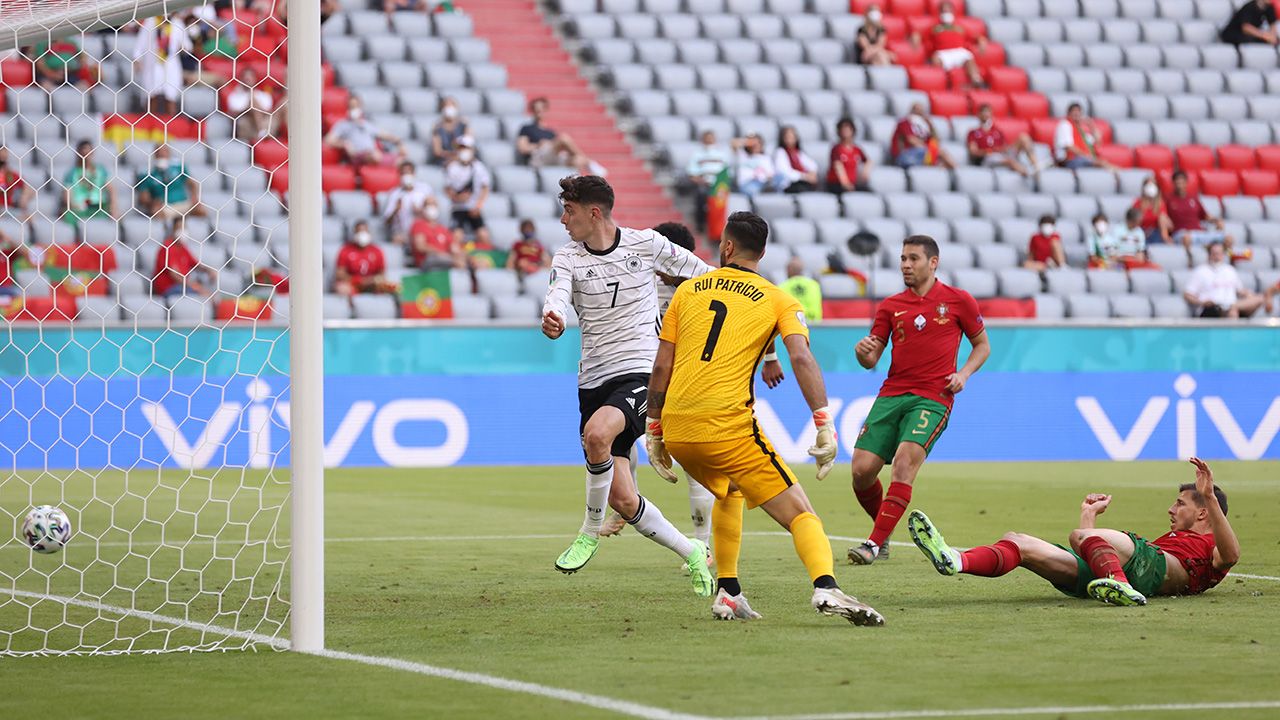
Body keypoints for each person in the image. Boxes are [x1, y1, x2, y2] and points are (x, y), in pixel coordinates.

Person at [644, 211, 883, 625]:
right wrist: (823, 421)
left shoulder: (688, 292)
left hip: (680, 427)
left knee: (731, 492)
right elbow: (802, 357)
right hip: (726, 425)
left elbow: (662, 367)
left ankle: (729, 592)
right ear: (764, 252)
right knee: (802, 512)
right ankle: (827, 587)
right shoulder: (777, 298)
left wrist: (655, 428)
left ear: (727, 246)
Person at [540, 175, 715, 592]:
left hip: (639, 370)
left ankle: (588, 530)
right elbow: (557, 293)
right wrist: (553, 316)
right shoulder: (567, 257)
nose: (564, 219)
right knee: (622, 496)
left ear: (593, 212)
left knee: (597, 434)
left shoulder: (647, 244)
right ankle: (692, 551)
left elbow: (705, 274)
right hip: (593, 379)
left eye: (570, 210)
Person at [908, 458, 1240, 607]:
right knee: (1019, 541)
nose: (1171, 509)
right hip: (1118, 577)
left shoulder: (1211, 545)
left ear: (1201, 513)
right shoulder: (1169, 540)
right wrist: (1088, 516)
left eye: (1179, 504)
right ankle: (956, 559)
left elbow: (1232, 555)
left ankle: (1120, 587)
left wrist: (1209, 496)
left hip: (1154, 569)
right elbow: (1089, 545)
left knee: (1081, 538)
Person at [848, 236, 991, 565]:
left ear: (933, 262)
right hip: (892, 393)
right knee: (861, 471)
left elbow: (982, 345)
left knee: (903, 463)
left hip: (934, 396)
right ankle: (879, 532)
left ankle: (873, 544)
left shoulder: (959, 301)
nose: (906, 265)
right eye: (902, 259)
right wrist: (862, 354)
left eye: (913, 258)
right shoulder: (890, 306)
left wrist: (964, 375)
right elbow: (871, 360)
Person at [1183, 241, 1264, 318]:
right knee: (1233, 312)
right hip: (1212, 309)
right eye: (1214, 253)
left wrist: (1247, 294)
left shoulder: (1230, 270)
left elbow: (1239, 290)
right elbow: (1188, 294)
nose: (1217, 256)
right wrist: (1201, 302)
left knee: (1259, 298)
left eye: (1219, 253)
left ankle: (1231, 308)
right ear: (1209, 254)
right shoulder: (1200, 271)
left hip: (1232, 306)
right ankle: (1231, 311)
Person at [324, 95, 407, 168]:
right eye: (351, 107)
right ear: (347, 108)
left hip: (374, 154)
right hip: (358, 156)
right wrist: (344, 144)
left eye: (356, 106)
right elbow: (328, 140)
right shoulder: (343, 125)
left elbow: (385, 135)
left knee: (403, 161)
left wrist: (399, 143)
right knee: (375, 156)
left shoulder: (367, 124)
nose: (354, 109)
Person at [1165, 170, 1236, 255]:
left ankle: (1228, 261)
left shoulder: (1193, 198)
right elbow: (1163, 217)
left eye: (1182, 181)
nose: (1180, 184)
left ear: (1186, 183)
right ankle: (1189, 262)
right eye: (1177, 182)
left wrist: (1217, 221)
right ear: (1173, 183)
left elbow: (1205, 216)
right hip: (1181, 233)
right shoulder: (1168, 199)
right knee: (1187, 238)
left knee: (1228, 238)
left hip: (1199, 232)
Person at [132, 14, 189, 116]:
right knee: (151, 96)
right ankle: (149, 124)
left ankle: (170, 127)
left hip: (171, 65)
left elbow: (187, 45)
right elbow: (141, 42)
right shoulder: (151, 21)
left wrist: (183, 48)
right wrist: (137, 59)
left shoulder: (177, 23)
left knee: (170, 97)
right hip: (153, 63)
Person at [444, 135, 492, 249]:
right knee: (457, 236)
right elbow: (448, 189)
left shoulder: (479, 167)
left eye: (466, 148)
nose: (463, 151)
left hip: (473, 208)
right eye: (461, 148)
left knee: (483, 235)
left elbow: (485, 188)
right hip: (458, 208)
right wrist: (456, 198)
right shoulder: (452, 167)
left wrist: (479, 205)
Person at [135, 145, 206, 220]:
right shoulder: (147, 173)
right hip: (164, 207)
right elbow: (143, 197)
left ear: (169, 153)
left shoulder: (179, 167)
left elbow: (192, 184)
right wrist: (152, 202)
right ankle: (173, 227)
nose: (162, 154)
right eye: (159, 152)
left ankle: (185, 227)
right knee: (155, 211)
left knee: (200, 209)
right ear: (154, 154)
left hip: (183, 203)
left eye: (165, 151)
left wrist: (194, 196)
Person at [966, 103, 1038, 177]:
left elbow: (1005, 147)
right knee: (1010, 161)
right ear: (978, 114)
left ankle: (1036, 166)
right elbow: (973, 152)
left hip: (1001, 154)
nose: (986, 114)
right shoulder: (973, 133)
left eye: (988, 112)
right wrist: (989, 151)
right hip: (988, 158)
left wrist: (1004, 149)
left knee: (1023, 137)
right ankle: (1027, 173)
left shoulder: (997, 131)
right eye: (984, 111)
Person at [152, 216, 216, 298]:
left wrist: (209, 270)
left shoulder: (183, 248)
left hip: (182, 286)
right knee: (199, 295)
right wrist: (194, 286)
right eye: (179, 228)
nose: (182, 231)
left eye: (184, 228)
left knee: (208, 293)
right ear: (173, 230)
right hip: (168, 288)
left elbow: (196, 265)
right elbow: (175, 275)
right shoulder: (167, 247)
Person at [925, 2, 986, 88]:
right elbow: (922, 36)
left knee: (969, 58)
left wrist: (981, 40)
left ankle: (976, 80)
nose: (946, 13)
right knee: (935, 59)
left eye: (948, 11)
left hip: (959, 51)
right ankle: (941, 83)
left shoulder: (960, 27)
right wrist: (915, 36)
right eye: (944, 11)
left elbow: (975, 37)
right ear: (940, 12)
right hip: (943, 53)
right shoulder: (934, 27)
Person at [333, 220, 398, 296]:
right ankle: (350, 306)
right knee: (342, 288)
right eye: (359, 232)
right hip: (353, 284)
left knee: (394, 287)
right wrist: (359, 281)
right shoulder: (345, 250)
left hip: (372, 284)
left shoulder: (376, 251)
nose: (362, 234)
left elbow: (382, 274)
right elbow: (340, 274)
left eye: (364, 231)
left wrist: (372, 280)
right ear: (354, 234)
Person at [686, 130, 732, 232]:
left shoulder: (722, 154)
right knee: (701, 194)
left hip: (719, 184)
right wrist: (700, 180)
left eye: (711, 138)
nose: (709, 141)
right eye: (707, 138)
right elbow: (692, 173)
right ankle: (701, 223)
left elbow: (727, 172)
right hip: (704, 182)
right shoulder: (697, 155)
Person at [381, 161, 436, 246]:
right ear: (400, 176)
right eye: (403, 173)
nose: (406, 176)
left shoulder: (425, 189)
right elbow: (387, 221)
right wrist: (396, 210)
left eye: (409, 172)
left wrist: (421, 211)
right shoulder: (395, 194)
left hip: (422, 233)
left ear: (414, 174)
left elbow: (434, 212)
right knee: (396, 240)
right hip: (403, 234)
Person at [62, 140, 118, 224]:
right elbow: (67, 193)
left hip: (98, 206)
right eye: (83, 154)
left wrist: (113, 207)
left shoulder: (100, 170)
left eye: (88, 153)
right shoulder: (72, 173)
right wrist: (72, 205)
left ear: (92, 153)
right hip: (79, 207)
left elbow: (111, 189)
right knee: (68, 216)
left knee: (115, 218)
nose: (86, 156)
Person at [516, 97, 582, 167]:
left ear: (546, 110)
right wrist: (538, 145)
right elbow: (522, 148)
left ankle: (586, 162)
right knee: (564, 139)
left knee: (578, 160)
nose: (539, 111)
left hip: (553, 157)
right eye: (537, 109)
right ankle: (589, 163)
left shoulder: (551, 132)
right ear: (533, 111)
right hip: (538, 157)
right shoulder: (527, 128)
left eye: (542, 109)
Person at [891, 104, 956, 169]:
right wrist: (931, 151)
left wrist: (930, 125)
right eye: (916, 111)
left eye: (921, 112)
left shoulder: (923, 127)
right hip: (904, 156)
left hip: (919, 155)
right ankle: (955, 170)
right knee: (939, 152)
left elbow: (935, 141)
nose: (919, 114)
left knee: (940, 156)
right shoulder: (904, 123)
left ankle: (954, 170)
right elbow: (911, 140)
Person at [1054, 103, 1116, 171]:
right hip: (1069, 162)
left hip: (1081, 159)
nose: (1076, 114)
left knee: (1102, 162)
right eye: (1074, 111)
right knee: (1101, 164)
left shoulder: (1081, 132)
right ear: (1069, 113)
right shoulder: (1065, 125)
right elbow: (1069, 146)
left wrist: (1091, 126)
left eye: (1078, 111)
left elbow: (1098, 142)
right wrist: (1088, 157)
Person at [225, 67, 280, 142]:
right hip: (247, 126)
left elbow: (269, 112)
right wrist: (248, 108)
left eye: (250, 76)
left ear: (255, 78)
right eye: (245, 76)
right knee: (251, 105)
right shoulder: (235, 96)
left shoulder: (264, 95)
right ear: (240, 79)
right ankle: (261, 132)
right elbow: (232, 114)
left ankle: (261, 131)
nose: (247, 78)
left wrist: (255, 106)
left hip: (265, 124)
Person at [33, 37, 98, 89]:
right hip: (49, 75)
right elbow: (40, 62)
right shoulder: (43, 42)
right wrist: (52, 74)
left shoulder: (71, 41)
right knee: (46, 87)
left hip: (70, 74)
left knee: (84, 87)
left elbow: (82, 55)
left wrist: (82, 63)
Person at [826, 117, 870, 193]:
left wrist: (865, 171)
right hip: (837, 183)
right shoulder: (836, 149)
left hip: (852, 183)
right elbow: (838, 166)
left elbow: (867, 161)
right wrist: (845, 183)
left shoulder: (857, 149)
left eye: (847, 129)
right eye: (843, 129)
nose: (845, 132)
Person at [772, 126, 819, 194]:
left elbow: (812, 165)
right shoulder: (780, 152)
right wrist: (804, 176)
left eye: (792, 137)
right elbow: (785, 172)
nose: (790, 140)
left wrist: (812, 173)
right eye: (787, 137)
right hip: (788, 184)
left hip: (802, 181)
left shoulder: (798, 152)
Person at [778, 255, 823, 323]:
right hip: (814, 325)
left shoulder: (782, 286)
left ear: (788, 270)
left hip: (792, 325)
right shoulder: (814, 285)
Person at [732, 133, 776, 198]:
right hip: (747, 183)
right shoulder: (743, 156)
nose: (756, 145)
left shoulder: (766, 158)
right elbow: (733, 143)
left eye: (758, 143)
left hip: (763, 183)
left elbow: (771, 174)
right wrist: (748, 141)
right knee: (751, 189)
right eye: (753, 143)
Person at [1131, 175, 1172, 245]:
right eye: (1148, 185)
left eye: (1153, 185)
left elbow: (1163, 220)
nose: (1151, 187)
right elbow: (1134, 220)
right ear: (1144, 188)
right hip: (1141, 232)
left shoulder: (1161, 204)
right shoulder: (1138, 203)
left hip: (1155, 232)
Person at [430, 96, 470, 166]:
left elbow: (468, 145)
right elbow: (437, 151)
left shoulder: (464, 125)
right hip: (444, 161)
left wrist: (458, 156)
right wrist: (451, 156)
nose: (449, 108)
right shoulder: (437, 128)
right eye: (446, 105)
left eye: (452, 105)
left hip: (462, 159)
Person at [0, 147, 34, 219]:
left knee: (28, 217)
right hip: (2, 210)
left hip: (9, 208)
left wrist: (25, 196)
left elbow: (28, 188)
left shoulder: (10, 174)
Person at [0, 230, 30, 297]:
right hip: (6, 290)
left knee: (25, 297)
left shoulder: (6, 253)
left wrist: (6, 238)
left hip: (7, 288)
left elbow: (24, 253)